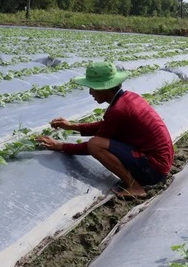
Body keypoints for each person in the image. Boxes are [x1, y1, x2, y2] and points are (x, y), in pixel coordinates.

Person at [37, 62, 174, 198]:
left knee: (95, 144)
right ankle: (136, 181)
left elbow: (93, 146)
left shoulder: (119, 110)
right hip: (160, 164)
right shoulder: (129, 98)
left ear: (104, 88)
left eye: (92, 88)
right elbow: (105, 126)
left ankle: (135, 187)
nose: (90, 92)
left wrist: (61, 146)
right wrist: (71, 126)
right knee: (99, 143)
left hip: (153, 170)